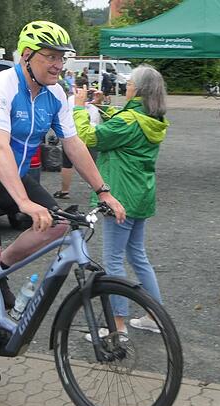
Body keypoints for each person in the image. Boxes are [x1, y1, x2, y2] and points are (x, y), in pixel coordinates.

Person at [0, 20, 125, 384]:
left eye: (62, 58)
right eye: (50, 57)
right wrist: (24, 202)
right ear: (27, 56)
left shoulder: (56, 94)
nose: (58, 64)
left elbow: (73, 144)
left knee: (60, 223)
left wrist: (103, 190)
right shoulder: (2, 86)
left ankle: (2, 272)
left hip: (9, 172)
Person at [73, 64, 168, 340]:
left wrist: (79, 109)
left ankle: (117, 326)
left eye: (128, 85)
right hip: (141, 194)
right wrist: (102, 106)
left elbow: (89, 137)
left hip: (120, 196)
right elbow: (124, 121)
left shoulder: (128, 121)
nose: (125, 87)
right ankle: (154, 315)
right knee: (138, 256)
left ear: (137, 90)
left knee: (113, 260)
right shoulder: (151, 118)